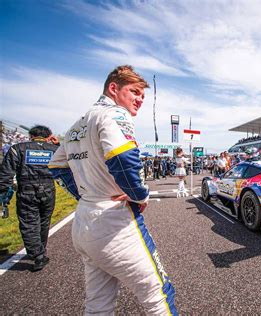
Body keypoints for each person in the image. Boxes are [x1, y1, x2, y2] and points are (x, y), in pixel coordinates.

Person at [48, 65, 177, 315]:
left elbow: (56, 165)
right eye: (135, 91)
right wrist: (140, 195)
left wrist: (86, 193)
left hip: (84, 220)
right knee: (159, 295)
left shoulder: (78, 123)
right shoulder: (115, 114)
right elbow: (124, 158)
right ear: (114, 88)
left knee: (98, 302)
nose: (139, 99)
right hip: (114, 223)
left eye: (142, 95)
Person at [0, 125, 59, 271]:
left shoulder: (17, 148)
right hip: (48, 191)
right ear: (48, 136)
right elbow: (68, 160)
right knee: (44, 221)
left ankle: (38, 255)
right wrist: (56, 144)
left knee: (29, 223)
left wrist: (3, 197)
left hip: (27, 191)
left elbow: (5, 176)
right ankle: (39, 250)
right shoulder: (54, 150)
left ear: (31, 136)